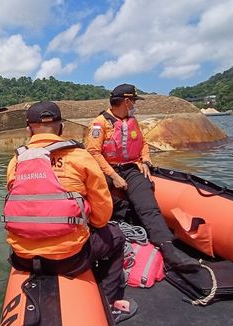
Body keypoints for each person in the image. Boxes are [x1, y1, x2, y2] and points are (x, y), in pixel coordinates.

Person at [2, 101, 137, 323]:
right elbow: (102, 214)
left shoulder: (16, 161)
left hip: (22, 258)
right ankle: (110, 303)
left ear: (28, 128)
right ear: (61, 127)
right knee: (116, 237)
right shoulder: (80, 156)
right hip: (69, 259)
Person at [85, 84, 200, 272]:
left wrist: (146, 161)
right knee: (95, 195)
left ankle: (168, 249)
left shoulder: (132, 120)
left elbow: (143, 143)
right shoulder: (99, 123)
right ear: (127, 101)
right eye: (134, 101)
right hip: (106, 169)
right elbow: (93, 152)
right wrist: (114, 176)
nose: (135, 105)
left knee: (148, 204)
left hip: (130, 168)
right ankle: (116, 220)